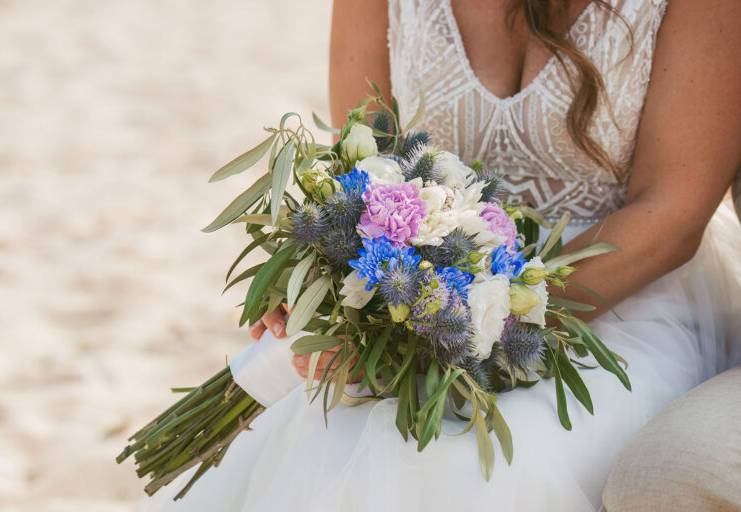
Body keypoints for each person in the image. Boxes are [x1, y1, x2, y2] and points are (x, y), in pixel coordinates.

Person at [143, 0, 741, 510]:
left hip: (621, 300)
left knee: (477, 466)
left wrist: (466, 327)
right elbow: (361, 166)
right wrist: (317, 280)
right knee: (321, 437)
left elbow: (672, 214)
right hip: (415, 284)